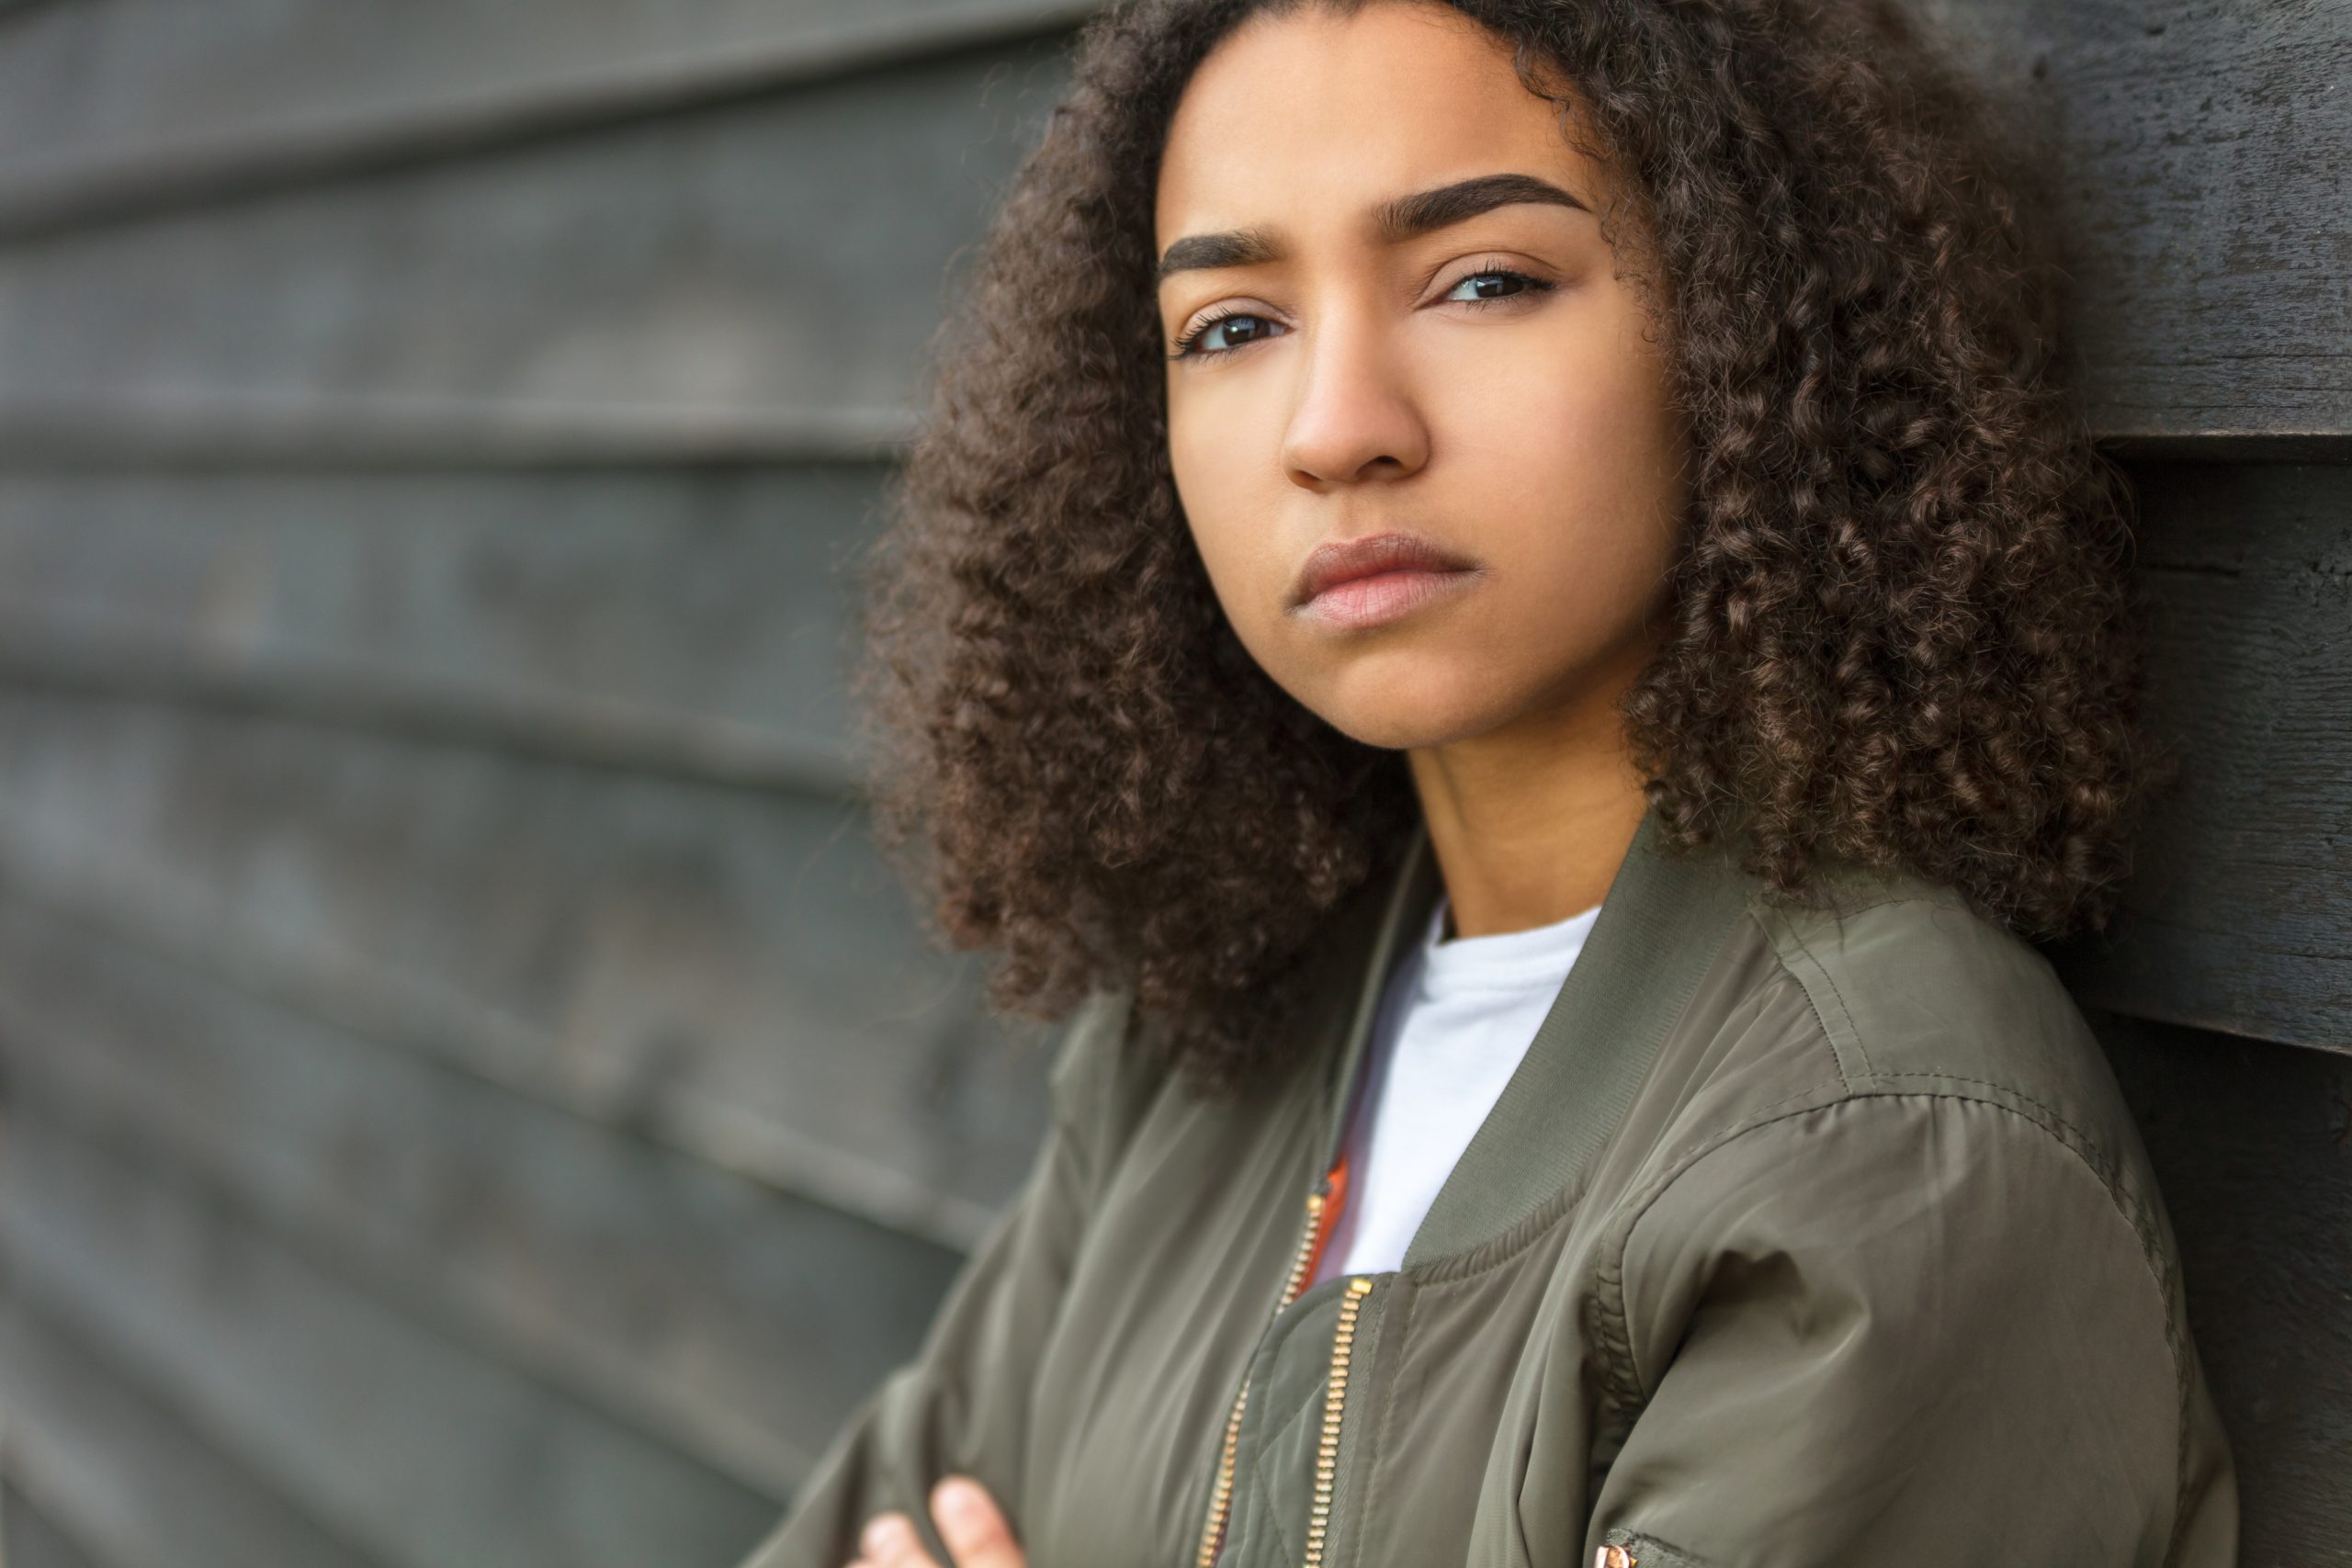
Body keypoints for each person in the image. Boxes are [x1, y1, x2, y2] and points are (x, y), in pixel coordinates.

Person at [739, 0, 2240, 1563]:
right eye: (1235, 326)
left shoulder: (1884, 1154)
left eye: (1487, 281)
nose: (1337, 431)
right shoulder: (1198, 1043)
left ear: (1753, 320)